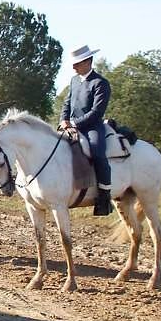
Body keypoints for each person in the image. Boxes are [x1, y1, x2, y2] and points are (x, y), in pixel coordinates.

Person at [58, 44, 113, 216]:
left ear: (88, 61)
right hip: (71, 125)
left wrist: (74, 124)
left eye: (77, 63)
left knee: (97, 153)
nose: (73, 67)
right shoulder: (74, 81)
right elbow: (67, 103)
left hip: (92, 127)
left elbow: (96, 113)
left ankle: (104, 197)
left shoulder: (100, 83)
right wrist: (63, 120)